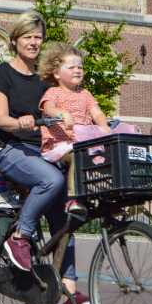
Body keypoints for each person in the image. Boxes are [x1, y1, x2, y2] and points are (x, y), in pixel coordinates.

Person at [0, 11, 89, 304]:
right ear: (15, 40)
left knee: (64, 217)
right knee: (51, 182)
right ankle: (20, 238)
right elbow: (0, 119)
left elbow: (59, 105)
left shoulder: (44, 81)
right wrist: (19, 122)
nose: (33, 41)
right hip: (9, 147)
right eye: (28, 36)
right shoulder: (1, 73)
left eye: (38, 37)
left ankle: (68, 290)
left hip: (39, 149)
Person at [38, 42, 111, 215]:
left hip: (81, 142)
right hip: (59, 145)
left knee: (106, 157)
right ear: (56, 73)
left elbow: (97, 113)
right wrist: (62, 114)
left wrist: (104, 126)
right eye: (71, 67)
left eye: (80, 67)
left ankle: (106, 198)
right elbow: (48, 108)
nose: (77, 70)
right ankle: (71, 198)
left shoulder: (85, 94)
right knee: (78, 156)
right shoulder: (53, 92)